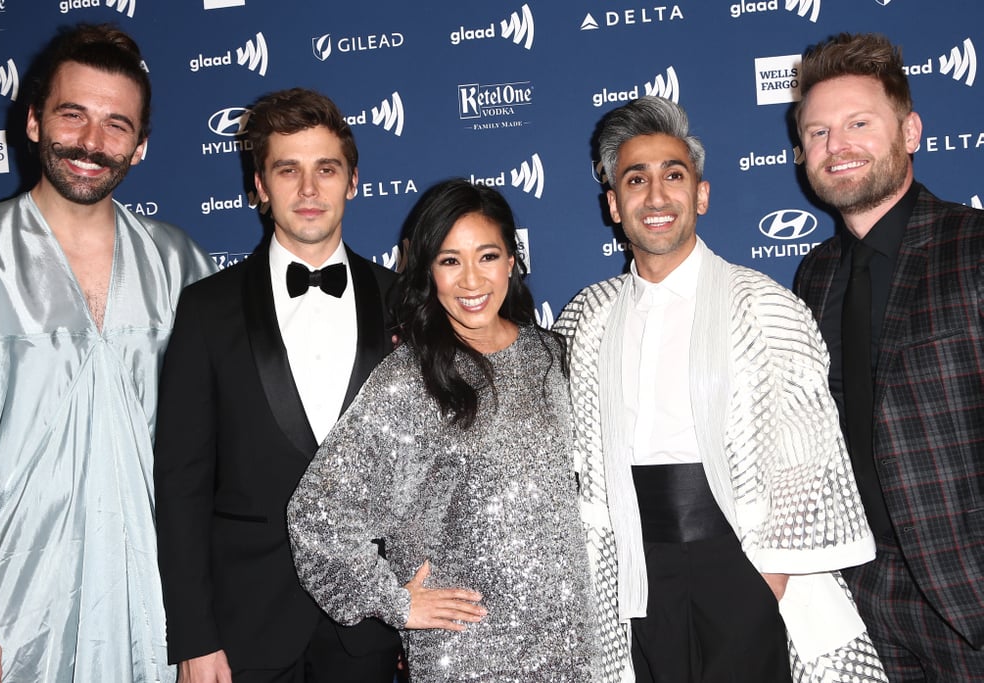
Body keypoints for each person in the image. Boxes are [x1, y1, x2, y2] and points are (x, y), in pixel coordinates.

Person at [553, 96, 887, 683]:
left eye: (673, 176)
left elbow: (808, 455)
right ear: (614, 205)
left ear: (700, 196)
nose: (656, 197)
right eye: (636, 180)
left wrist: (771, 577)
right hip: (631, 564)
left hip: (745, 561)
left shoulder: (762, 304)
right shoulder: (588, 316)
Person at [0, 23, 215, 683]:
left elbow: (208, 459)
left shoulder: (179, 262)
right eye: (73, 115)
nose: (92, 143)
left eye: (116, 125)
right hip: (9, 605)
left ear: (142, 145)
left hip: (154, 611)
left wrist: (201, 625)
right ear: (36, 121)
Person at [286, 178, 599, 681]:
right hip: (468, 655)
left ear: (512, 261)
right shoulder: (409, 380)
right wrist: (394, 602)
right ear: (429, 271)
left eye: (488, 256)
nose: (472, 280)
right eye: (450, 260)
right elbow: (319, 516)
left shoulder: (555, 356)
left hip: (573, 647)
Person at [153, 88, 401, 682]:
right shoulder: (206, 309)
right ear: (260, 187)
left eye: (326, 169)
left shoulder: (403, 303)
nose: (309, 190)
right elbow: (181, 486)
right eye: (288, 170)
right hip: (243, 627)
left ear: (354, 181)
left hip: (368, 622)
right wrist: (194, 637)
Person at [793, 32, 984, 681]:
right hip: (866, 595)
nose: (835, 146)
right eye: (817, 133)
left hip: (969, 590)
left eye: (857, 124)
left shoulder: (973, 248)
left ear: (910, 131)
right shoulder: (813, 277)